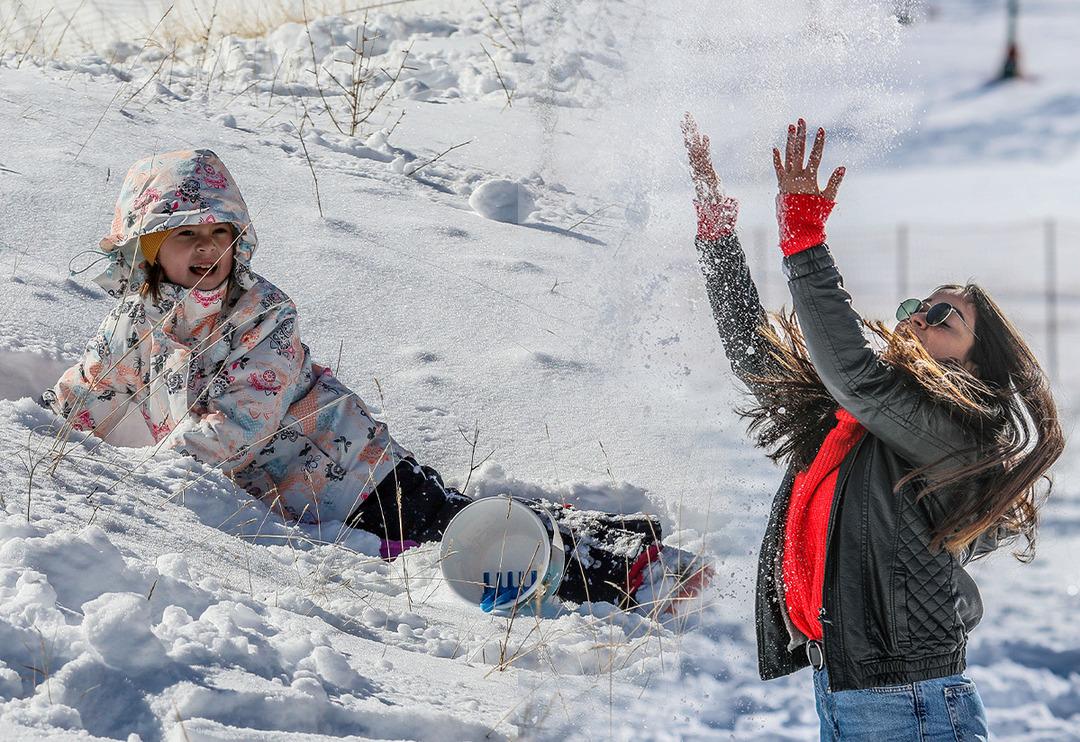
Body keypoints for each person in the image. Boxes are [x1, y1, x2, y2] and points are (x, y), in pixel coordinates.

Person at [43, 149, 709, 617]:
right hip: (304, 498)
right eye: (187, 234)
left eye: (221, 231)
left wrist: (163, 471)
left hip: (357, 475)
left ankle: (629, 565)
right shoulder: (136, 318)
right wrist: (46, 434)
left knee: (469, 540)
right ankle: (612, 529)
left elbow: (245, 424)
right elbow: (94, 385)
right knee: (463, 520)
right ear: (144, 244)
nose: (209, 248)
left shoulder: (263, 314)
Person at [682, 115, 1063, 739]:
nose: (920, 316)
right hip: (846, 690)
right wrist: (717, 230)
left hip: (908, 702)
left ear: (975, 359)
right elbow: (758, 357)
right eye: (918, 304)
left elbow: (853, 374)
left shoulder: (955, 430)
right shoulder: (859, 422)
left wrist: (804, 238)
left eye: (946, 316)